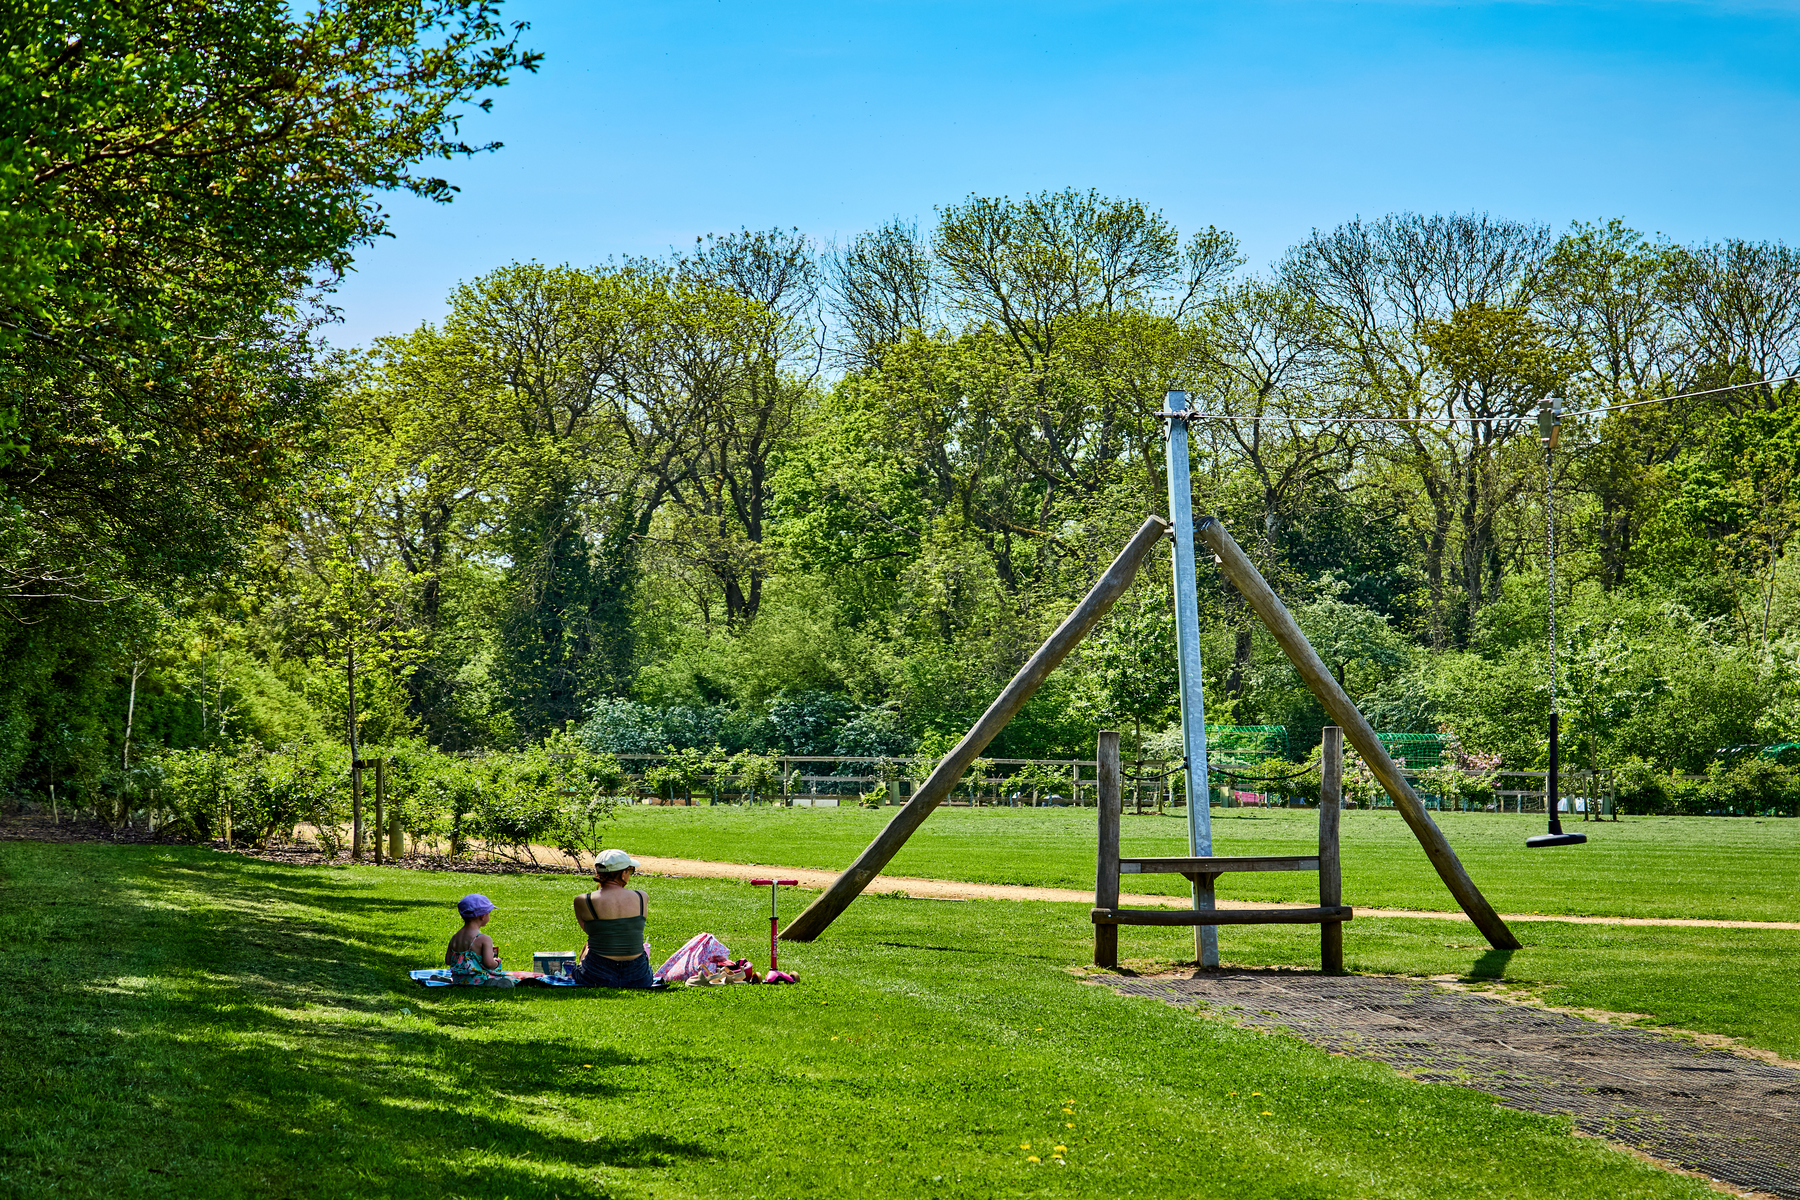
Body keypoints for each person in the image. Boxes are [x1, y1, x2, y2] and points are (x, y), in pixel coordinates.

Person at [570, 849, 660, 988]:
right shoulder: (641, 897)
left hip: (596, 977)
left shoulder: (583, 900)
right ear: (623, 873)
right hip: (638, 978)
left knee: (590, 943)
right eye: (630, 871)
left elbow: (593, 933)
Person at [445, 893, 514, 987]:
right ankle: (492, 982)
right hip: (478, 980)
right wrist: (497, 962)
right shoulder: (484, 939)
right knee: (508, 980)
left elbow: (448, 961)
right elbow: (489, 963)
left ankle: (448, 980)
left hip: (458, 980)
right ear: (483, 916)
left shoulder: (455, 937)